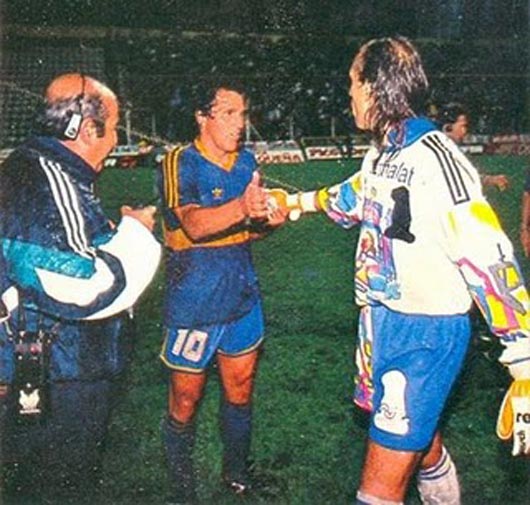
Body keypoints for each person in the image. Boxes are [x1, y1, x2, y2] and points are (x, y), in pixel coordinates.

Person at [269, 37, 530, 504]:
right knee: (420, 443)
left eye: (353, 83)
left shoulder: (437, 159)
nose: (349, 93)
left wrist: (523, 357)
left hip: (424, 334)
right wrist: (293, 203)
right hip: (381, 323)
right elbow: (355, 195)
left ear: (374, 87)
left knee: (378, 490)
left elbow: (487, 252)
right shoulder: (382, 153)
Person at [0, 73, 161, 496]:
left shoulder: (39, 170)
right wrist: (136, 232)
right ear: (89, 129)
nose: (116, 140)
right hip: (59, 375)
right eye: (115, 128)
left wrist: (113, 235)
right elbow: (79, 285)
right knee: (58, 486)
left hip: (50, 368)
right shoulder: (45, 179)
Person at [157, 78, 286, 503]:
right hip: (194, 303)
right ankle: (181, 490)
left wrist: (269, 222)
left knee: (241, 388)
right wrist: (243, 207)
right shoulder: (180, 162)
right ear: (202, 117)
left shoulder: (247, 163)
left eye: (242, 113)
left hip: (242, 297)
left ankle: (237, 475)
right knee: (185, 399)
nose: (239, 123)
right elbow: (194, 225)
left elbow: (246, 233)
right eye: (228, 113)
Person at [438, 101, 509, 190]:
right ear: (448, 128)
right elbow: (457, 179)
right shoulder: (441, 151)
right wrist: (489, 180)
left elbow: (462, 175)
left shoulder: (448, 149)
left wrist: (489, 180)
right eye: (463, 126)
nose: (465, 131)